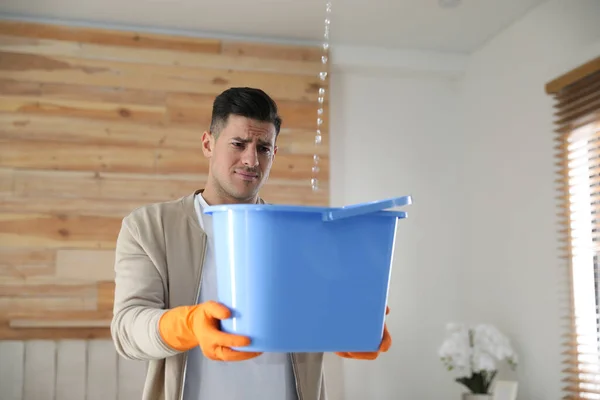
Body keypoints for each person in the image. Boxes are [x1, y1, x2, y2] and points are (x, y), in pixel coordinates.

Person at [110, 87, 392, 400]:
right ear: (208, 144)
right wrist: (188, 324)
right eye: (239, 144)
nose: (250, 159)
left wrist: (349, 328)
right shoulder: (149, 228)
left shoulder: (299, 233)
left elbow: (315, 317)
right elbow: (127, 329)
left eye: (263, 148)